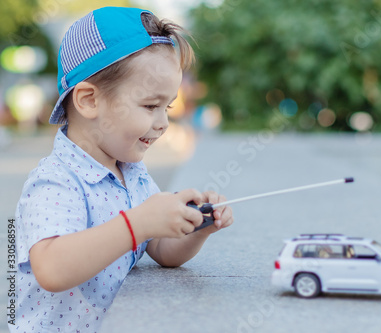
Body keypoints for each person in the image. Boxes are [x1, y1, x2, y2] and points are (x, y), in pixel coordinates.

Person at [11, 7, 233, 333]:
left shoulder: (133, 172)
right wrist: (137, 224)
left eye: (167, 107)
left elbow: (159, 248)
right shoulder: (56, 181)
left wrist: (196, 227)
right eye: (150, 106)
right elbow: (53, 268)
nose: (163, 123)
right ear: (88, 101)